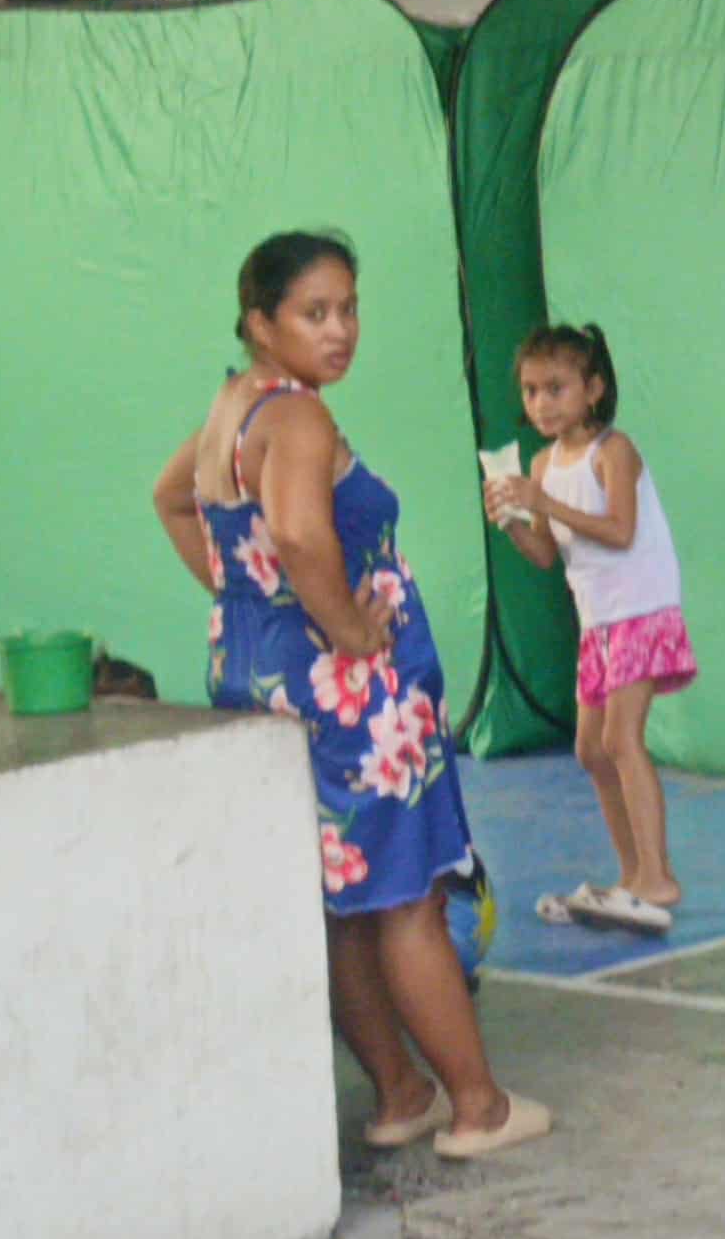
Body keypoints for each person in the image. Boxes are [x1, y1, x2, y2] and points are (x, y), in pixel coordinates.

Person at [153, 232, 549, 1159]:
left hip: (265, 681)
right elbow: (299, 535)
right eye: (314, 313)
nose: (340, 331)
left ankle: (401, 1094)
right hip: (352, 701)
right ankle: (478, 1108)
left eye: (349, 309)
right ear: (261, 323)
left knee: (342, 902)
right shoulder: (297, 420)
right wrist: (349, 632)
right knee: (407, 901)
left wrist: (250, 605)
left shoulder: (233, 412)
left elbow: (173, 502)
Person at [483, 324, 689, 936]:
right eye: (530, 391)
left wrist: (545, 504)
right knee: (591, 751)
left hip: (641, 611)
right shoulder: (543, 464)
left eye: (556, 388)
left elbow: (620, 531)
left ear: (593, 389)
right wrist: (512, 520)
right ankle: (631, 876)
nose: (541, 403)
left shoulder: (613, 451)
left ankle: (659, 878)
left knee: (623, 740)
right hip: (597, 623)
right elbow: (547, 554)